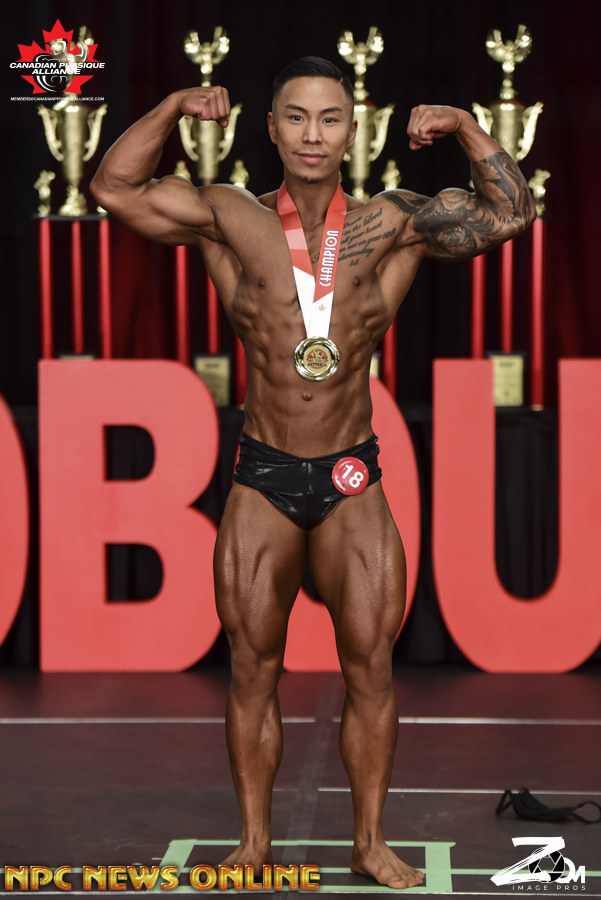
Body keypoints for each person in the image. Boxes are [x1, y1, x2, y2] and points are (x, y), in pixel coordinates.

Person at [91, 56, 536, 890]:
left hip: (348, 480)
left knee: (370, 668)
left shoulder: (392, 220)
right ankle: (254, 843)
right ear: (270, 127)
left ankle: (369, 843)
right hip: (263, 475)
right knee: (251, 669)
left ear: (350, 131)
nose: (311, 134)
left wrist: (466, 126)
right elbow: (113, 187)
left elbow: (511, 213)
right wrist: (174, 104)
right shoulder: (227, 215)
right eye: (295, 117)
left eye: (329, 118)